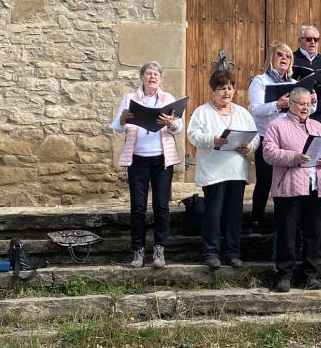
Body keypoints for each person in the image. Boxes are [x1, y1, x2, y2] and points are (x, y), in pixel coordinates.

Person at [110, 61, 183, 269]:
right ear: (142, 77)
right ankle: (138, 251)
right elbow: (117, 127)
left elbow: (179, 128)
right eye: (149, 73)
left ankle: (159, 249)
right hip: (138, 159)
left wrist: (172, 123)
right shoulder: (129, 98)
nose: (152, 77)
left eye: (156, 74)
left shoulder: (168, 98)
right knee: (138, 207)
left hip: (162, 159)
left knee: (161, 205)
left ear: (161, 78)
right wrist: (123, 119)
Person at [186, 69, 258, 270]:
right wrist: (213, 140)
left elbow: (255, 136)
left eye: (229, 88)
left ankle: (233, 253)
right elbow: (193, 135)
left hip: (236, 170)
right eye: (221, 88)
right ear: (213, 91)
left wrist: (249, 147)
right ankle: (211, 253)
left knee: (234, 214)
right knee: (213, 214)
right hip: (213, 171)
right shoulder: (202, 112)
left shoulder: (242, 112)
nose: (226, 92)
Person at [261, 87, 321, 293]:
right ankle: (284, 275)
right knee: (288, 233)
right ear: (290, 104)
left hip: (314, 186)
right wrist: (295, 157)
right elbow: (268, 153)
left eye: (309, 104)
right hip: (289, 187)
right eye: (301, 103)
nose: (305, 107)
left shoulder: (317, 126)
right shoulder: (277, 125)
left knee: (313, 233)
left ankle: (309, 275)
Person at [248, 41, 295, 233]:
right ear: (271, 58)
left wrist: (313, 102)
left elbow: (304, 111)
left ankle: (282, 222)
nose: (284, 58)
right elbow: (256, 109)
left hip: (288, 138)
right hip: (266, 137)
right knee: (265, 179)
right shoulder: (260, 81)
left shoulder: (294, 83)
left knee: (285, 181)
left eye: (288, 56)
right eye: (280, 55)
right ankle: (256, 221)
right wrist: (277, 105)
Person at [293, 24, 321, 127]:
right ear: (300, 41)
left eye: (316, 40)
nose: (313, 42)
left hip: (320, 114)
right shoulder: (292, 59)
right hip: (297, 113)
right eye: (309, 39)